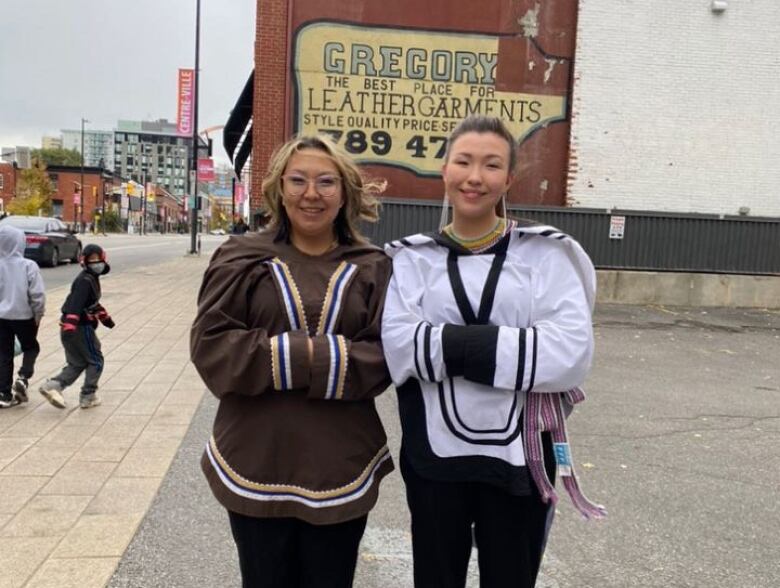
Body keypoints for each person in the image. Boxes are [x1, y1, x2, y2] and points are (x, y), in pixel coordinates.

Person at [381, 115, 605, 588]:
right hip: (434, 456)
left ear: (509, 177)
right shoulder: (414, 260)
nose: (475, 177)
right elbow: (398, 349)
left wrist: (443, 345)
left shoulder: (547, 256)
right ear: (444, 170)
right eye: (463, 161)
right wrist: (518, 349)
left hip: (521, 459)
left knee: (511, 577)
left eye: (491, 165)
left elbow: (569, 356)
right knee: (436, 577)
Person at [190, 135, 393, 588]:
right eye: (298, 180)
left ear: (345, 192)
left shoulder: (373, 266)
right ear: (280, 189)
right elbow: (210, 346)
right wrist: (316, 356)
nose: (311, 194)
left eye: (326, 182)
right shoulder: (240, 257)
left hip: (341, 461)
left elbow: (384, 355)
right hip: (256, 457)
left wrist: (282, 357)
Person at [39, 244, 115, 409]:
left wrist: (105, 318)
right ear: (85, 261)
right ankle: (88, 395)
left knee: (77, 363)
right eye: (92, 260)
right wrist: (72, 323)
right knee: (96, 360)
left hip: (69, 327)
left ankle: (53, 386)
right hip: (79, 328)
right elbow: (76, 303)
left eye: (98, 259)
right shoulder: (85, 281)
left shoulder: (90, 279)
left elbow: (91, 304)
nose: (96, 263)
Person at [0, 225, 46, 407]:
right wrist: (38, 313)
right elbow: (37, 295)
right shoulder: (28, 266)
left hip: (1, 318)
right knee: (31, 347)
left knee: (4, 353)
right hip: (24, 315)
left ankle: (3, 394)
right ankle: (23, 377)